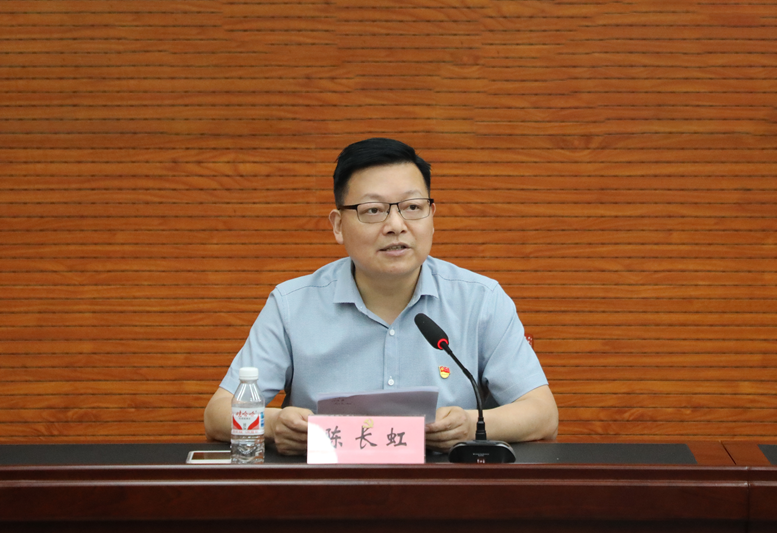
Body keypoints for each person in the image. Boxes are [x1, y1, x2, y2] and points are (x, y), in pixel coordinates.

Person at [204, 137, 558, 455]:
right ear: (338, 226)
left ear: (432, 216)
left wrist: (471, 426)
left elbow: (542, 414)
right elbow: (218, 414)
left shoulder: (480, 300)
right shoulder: (292, 304)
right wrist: (275, 425)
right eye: (373, 210)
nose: (396, 225)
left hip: (445, 492)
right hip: (326, 491)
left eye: (413, 207)